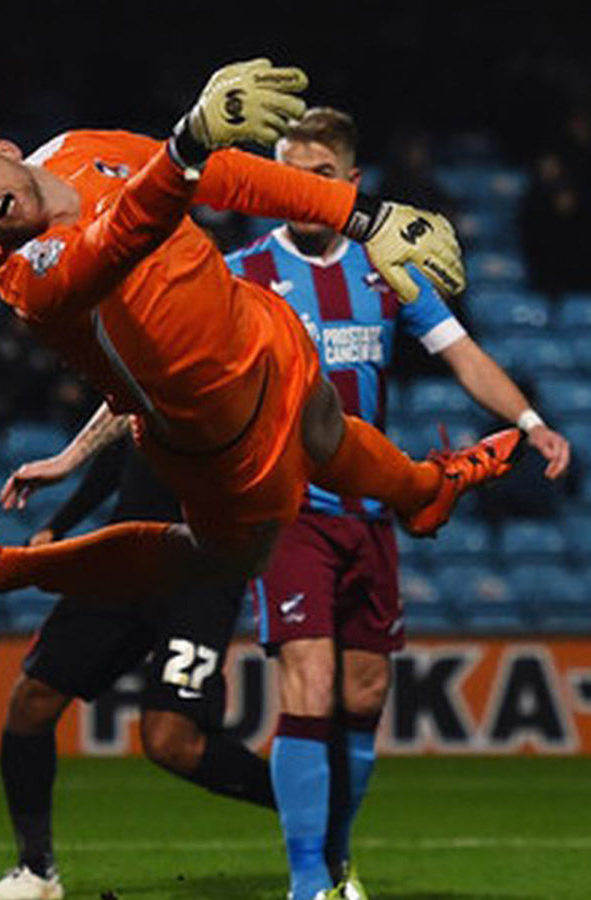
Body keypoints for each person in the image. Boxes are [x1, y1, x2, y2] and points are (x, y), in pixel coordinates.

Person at [0, 59, 515, 628]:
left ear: (3, 148)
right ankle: (15, 570)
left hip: (260, 327)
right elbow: (121, 237)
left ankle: (427, 493)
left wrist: (365, 216)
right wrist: (187, 141)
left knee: (322, 421)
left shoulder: (79, 148)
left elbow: (220, 177)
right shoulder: (24, 275)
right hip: (219, 440)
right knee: (225, 560)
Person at [223, 107, 571, 900]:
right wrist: (77, 451)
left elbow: (463, 355)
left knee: (365, 694)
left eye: (316, 179)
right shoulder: (241, 272)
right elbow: (164, 362)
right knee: (307, 684)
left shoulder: (387, 270)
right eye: (284, 176)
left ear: (348, 185)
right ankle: (307, 883)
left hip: (370, 510)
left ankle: (338, 862)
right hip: (289, 510)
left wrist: (527, 422)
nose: (297, 192)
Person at [0, 434, 273, 900]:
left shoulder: (245, 376)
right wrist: (61, 523)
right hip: (125, 557)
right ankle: (36, 873)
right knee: (32, 701)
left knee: (171, 743)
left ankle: (310, 809)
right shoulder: (151, 377)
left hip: (202, 571)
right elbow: (127, 447)